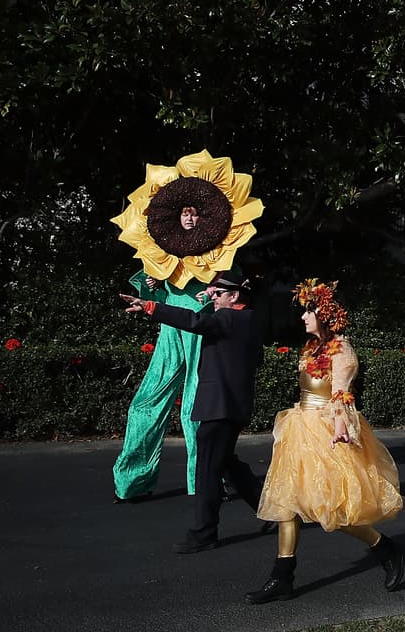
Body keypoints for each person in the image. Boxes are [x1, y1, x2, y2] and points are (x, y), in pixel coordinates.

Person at [246, 279, 405, 603]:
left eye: (309, 312)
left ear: (326, 315)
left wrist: (339, 427)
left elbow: (341, 394)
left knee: (332, 511)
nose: (304, 318)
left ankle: (385, 547)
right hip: (299, 429)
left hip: (327, 433)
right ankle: (282, 578)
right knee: (286, 504)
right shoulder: (311, 349)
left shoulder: (342, 351)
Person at [122, 270, 266, 553]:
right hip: (232, 406)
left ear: (234, 296)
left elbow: (193, 321)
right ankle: (274, 511)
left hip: (219, 408)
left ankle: (204, 533)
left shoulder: (228, 318)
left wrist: (151, 306)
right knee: (226, 463)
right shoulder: (248, 319)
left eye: (218, 293)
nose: (212, 296)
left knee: (207, 471)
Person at [113, 208, 209, 502]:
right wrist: (151, 283)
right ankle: (132, 482)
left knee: (196, 402)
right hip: (171, 323)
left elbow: (233, 281)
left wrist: (213, 289)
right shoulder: (162, 245)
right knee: (148, 399)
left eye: (194, 214)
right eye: (184, 214)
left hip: (199, 322)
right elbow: (156, 292)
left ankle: (204, 480)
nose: (189, 219)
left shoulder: (216, 248)